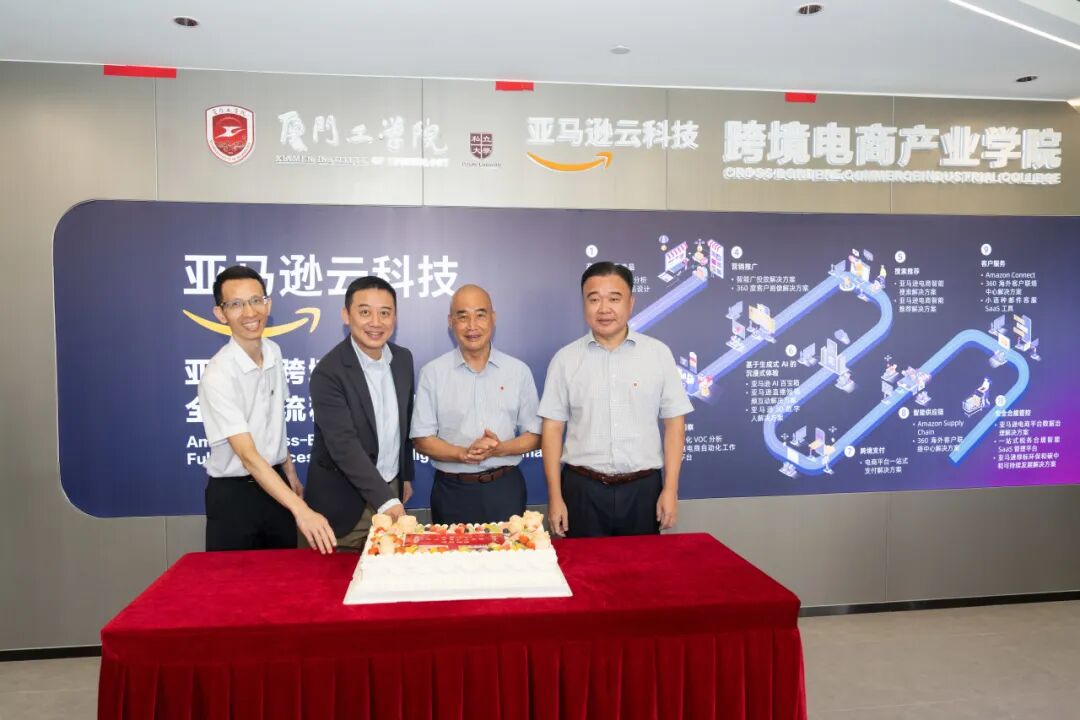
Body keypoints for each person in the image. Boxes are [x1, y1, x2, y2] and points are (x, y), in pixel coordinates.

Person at [538, 261, 693, 538]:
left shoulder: (658, 354)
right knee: (583, 565)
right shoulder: (565, 359)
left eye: (614, 298)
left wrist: (670, 489)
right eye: (594, 299)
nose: (604, 308)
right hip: (582, 490)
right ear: (584, 304)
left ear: (631, 303)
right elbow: (552, 429)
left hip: (643, 490)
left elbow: (674, 425)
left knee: (642, 566)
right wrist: (555, 497)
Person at [197, 265, 336, 553]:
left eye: (256, 300)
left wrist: (290, 472)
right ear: (221, 314)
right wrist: (301, 510)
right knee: (232, 580)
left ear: (268, 304)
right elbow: (247, 456)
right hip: (234, 496)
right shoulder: (218, 373)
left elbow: (274, 419)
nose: (250, 312)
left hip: (276, 488)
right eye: (236, 304)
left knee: (281, 577)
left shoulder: (273, 351)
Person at [411, 285, 541, 524]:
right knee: (451, 550)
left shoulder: (518, 371)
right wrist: (463, 454)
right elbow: (421, 439)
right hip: (452, 492)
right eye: (463, 317)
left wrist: (498, 449)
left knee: (512, 550)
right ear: (450, 322)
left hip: (505, 489)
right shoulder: (433, 373)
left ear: (493, 318)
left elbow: (535, 436)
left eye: (480, 315)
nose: (472, 326)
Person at [305, 276, 414, 549]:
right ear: (346, 315)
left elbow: (404, 423)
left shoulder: (403, 359)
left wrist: (404, 477)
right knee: (340, 575)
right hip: (344, 503)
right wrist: (386, 500)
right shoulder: (328, 373)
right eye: (365, 312)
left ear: (395, 317)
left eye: (385, 313)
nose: (376, 322)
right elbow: (343, 445)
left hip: (391, 489)